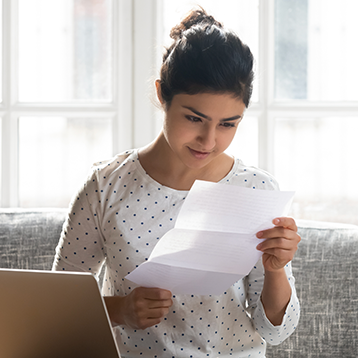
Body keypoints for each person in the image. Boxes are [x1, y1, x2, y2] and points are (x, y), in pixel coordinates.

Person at [52, 7, 300, 358]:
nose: (208, 140)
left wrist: (275, 271)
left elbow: (275, 331)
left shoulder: (257, 191)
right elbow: (55, 309)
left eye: (228, 124)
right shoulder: (106, 186)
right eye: (194, 118)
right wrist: (121, 310)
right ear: (161, 95)